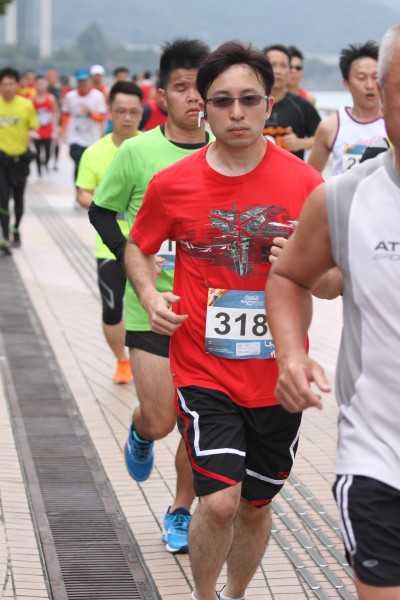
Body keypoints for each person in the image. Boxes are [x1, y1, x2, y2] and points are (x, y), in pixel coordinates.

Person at [123, 40, 327, 600]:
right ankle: (204, 595)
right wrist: (151, 294)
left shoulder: (307, 185)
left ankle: (235, 594)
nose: (236, 112)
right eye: (222, 101)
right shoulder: (173, 183)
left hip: (278, 377)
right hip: (202, 370)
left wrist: (302, 265)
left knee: (255, 506)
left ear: (268, 105)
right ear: (203, 109)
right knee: (218, 502)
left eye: (249, 99)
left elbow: (334, 283)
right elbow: (139, 246)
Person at [265, 22, 400, 600]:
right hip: (380, 459)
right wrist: (291, 357)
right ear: (381, 94)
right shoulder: (343, 197)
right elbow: (290, 275)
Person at [89, 38, 211, 555]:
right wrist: (131, 254)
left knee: (197, 426)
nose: (193, 97)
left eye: (201, 87)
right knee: (162, 421)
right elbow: (101, 211)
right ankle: (140, 430)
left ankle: (180, 509)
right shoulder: (137, 152)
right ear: (161, 96)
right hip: (152, 308)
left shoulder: (227, 148)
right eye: (181, 87)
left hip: (210, 313)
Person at [76, 81, 144, 384]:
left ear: (142, 112)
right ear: (109, 112)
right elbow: (83, 193)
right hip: (110, 245)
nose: (127, 118)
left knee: (154, 307)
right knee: (113, 307)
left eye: (133, 112)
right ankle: (122, 360)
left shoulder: (153, 147)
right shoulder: (94, 152)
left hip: (151, 246)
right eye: (120, 111)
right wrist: (110, 206)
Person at [308, 41, 386, 175]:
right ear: (347, 84)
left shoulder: (394, 122)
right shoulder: (331, 126)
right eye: (361, 78)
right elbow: (310, 177)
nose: (370, 85)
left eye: (375, 77)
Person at [0, 67, 39, 254]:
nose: (7, 87)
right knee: (2, 198)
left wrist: (32, 133)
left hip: (20, 160)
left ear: (17, 85)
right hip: (2, 160)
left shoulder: (26, 105)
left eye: (10, 84)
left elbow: (34, 126)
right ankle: (5, 236)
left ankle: (16, 229)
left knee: (18, 200)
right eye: (3, 84)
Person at [263, 44, 321, 160]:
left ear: (289, 71)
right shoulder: (250, 103)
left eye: (283, 66)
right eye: (273, 65)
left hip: (290, 170)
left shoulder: (302, 106)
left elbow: (324, 138)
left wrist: (300, 143)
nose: (277, 71)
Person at [61, 68, 107, 202]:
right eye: (80, 81)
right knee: (78, 165)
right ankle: (79, 193)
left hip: (92, 139)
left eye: (85, 81)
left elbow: (101, 117)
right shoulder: (70, 96)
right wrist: (64, 130)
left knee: (91, 168)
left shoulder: (97, 96)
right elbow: (66, 114)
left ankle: (89, 192)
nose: (83, 84)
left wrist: (90, 113)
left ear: (89, 81)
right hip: (75, 138)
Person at [32, 75, 59, 177]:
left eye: (42, 84)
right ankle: (39, 168)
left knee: (48, 152)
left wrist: (55, 126)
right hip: (37, 130)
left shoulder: (50, 98)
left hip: (48, 130)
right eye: (38, 84)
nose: (40, 86)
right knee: (37, 152)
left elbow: (56, 112)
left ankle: (46, 163)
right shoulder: (32, 100)